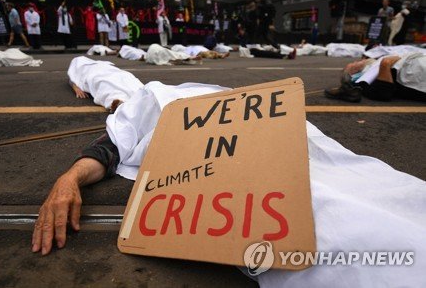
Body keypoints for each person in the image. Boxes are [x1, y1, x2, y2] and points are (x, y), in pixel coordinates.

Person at [32, 60, 426, 288]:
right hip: (228, 139)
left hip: (245, 127)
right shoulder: (130, 112)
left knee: (339, 179)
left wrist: (68, 179)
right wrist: (68, 179)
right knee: (319, 206)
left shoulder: (144, 99)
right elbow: (105, 146)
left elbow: (106, 147)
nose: (114, 107)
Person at [325, 53, 426, 102]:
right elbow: (382, 93)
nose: (355, 62)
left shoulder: (373, 66)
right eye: (351, 65)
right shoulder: (365, 79)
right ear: (354, 74)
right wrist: (385, 63)